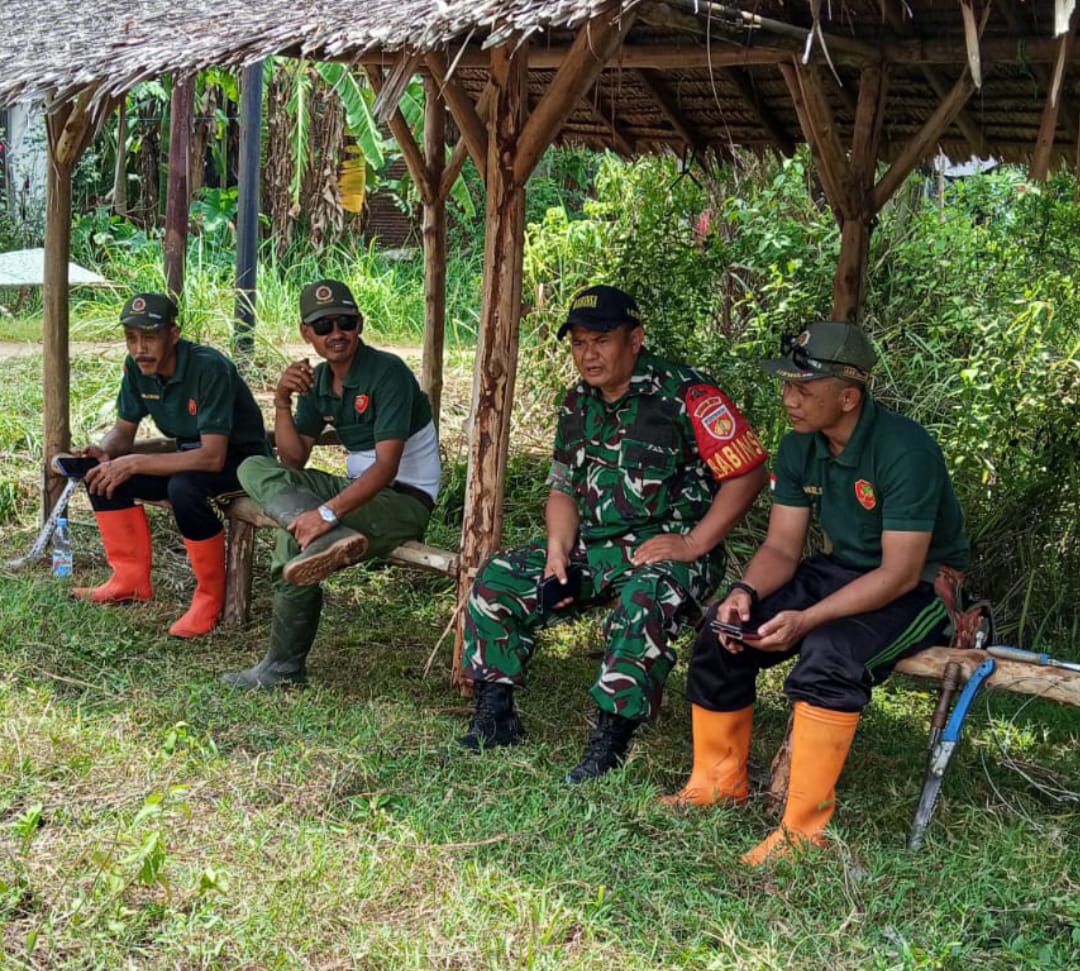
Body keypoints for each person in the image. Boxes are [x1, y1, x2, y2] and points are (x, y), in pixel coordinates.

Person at [670, 320, 969, 864]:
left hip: (922, 590)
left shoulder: (906, 450)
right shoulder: (800, 445)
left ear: (849, 396)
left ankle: (802, 834)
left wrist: (807, 621)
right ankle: (716, 784)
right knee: (723, 629)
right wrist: (742, 592)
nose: (788, 399)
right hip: (843, 569)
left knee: (829, 654)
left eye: (803, 389)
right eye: (786, 386)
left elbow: (900, 574)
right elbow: (783, 549)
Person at [458, 283, 768, 782]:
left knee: (644, 599)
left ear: (636, 339)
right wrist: (558, 553)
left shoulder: (687, 394)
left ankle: (609, 742)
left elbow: (748, 472)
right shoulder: (577, 402)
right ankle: (495, 716)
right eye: (578, 343)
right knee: (500, 577)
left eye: (601, 340)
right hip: (593, 546)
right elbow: (562, 487)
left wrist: (694, 543)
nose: (588, 354)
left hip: (667, 549)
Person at [221, 279, 441, 689]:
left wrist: (325, 513)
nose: (336, 334)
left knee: (296, 537)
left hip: (402, 501)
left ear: (360, 324)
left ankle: (283, 669)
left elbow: (387, 467)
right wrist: (283, 401)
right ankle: (325, 537)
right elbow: (292, 458)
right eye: (323, 326)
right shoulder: (319, 381)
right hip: (357, 492)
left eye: (346, 322)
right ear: (307, 333)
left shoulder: (386, 372)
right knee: (252, 467)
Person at [72, 292, 270, 638]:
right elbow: (123, 429)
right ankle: (129, 580)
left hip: (243, 462)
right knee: (100, 474)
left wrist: (135, 462)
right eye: (131, 338)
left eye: (149, 337)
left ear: (173, 334)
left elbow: (213, 456)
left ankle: (210, 597)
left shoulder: (209, 367)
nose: (139, 348)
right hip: (189, 459)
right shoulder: (136, 368)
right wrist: (105, 453)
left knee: (184, 488)